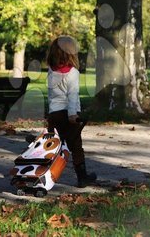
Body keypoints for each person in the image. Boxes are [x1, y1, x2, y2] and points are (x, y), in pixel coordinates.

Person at [46, 35, 97, 188]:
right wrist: (72, 115)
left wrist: (50, 114)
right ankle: (82, 178)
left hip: (54, 115)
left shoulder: (51, 71)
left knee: (53, 146)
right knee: (76, 147)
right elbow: (72, 95)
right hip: (69, 115)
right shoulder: (73, 72)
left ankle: (45, 175)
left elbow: (51, 95)